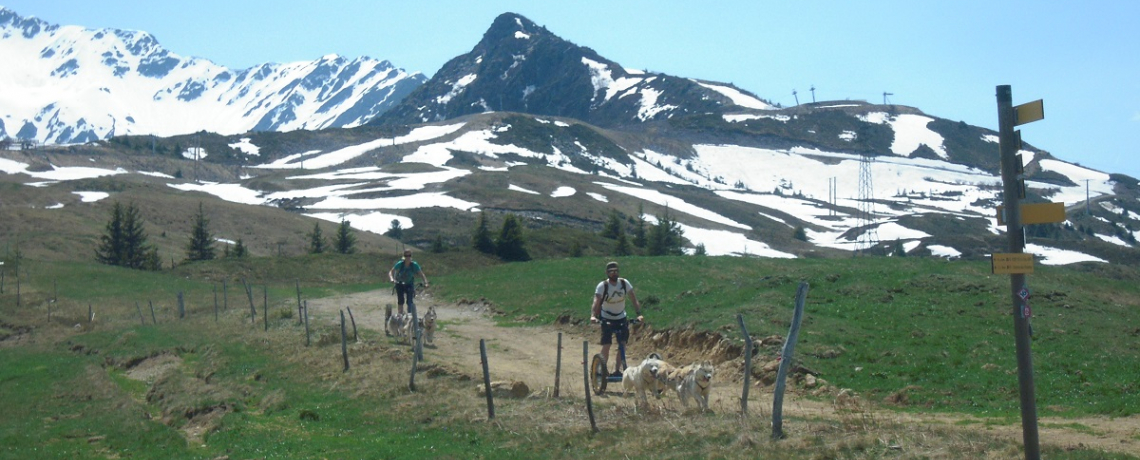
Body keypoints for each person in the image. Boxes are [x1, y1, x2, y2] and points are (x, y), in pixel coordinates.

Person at [590, 261, 643, 376]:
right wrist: (593, 316)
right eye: (611, 272)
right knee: (607, 344)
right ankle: (602, 369)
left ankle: (617, 370)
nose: (614, 273)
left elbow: (634, 299)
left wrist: (639, 313)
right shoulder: (603, 286)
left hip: (621, 317)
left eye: (616, 271)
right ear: (607, 273)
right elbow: (596, 301)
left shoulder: (624, 283)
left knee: (622, 344)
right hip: (606, 317)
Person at [389, 249, 429, 316]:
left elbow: (422, 274)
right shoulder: (400, 264)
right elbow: (391, 272)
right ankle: (400, 315)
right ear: (404, 256)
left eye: (409, 255)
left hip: (409, 284)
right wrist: (392, 279)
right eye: (406, 255)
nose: (408, 257)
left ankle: (409, 316)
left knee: (410, 301)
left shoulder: (414, 265)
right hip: (400, 283)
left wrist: (426, 282)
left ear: (411, 256)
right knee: (401, 300)